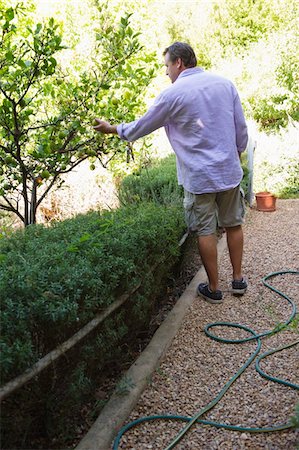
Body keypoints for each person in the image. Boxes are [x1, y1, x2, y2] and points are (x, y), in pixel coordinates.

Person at [93, 41, 248, 304]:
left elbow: (142, 126)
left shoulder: (172, 95)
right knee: (234, 224)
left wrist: (112, 129)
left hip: (199, 177)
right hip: (228, 171)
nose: (166, 72)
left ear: (179, 62)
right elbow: (240, 127)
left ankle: (214, 288)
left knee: (206, 231)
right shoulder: (225, 84)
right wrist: (238, 152)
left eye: (167, 65)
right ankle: (238, 280)